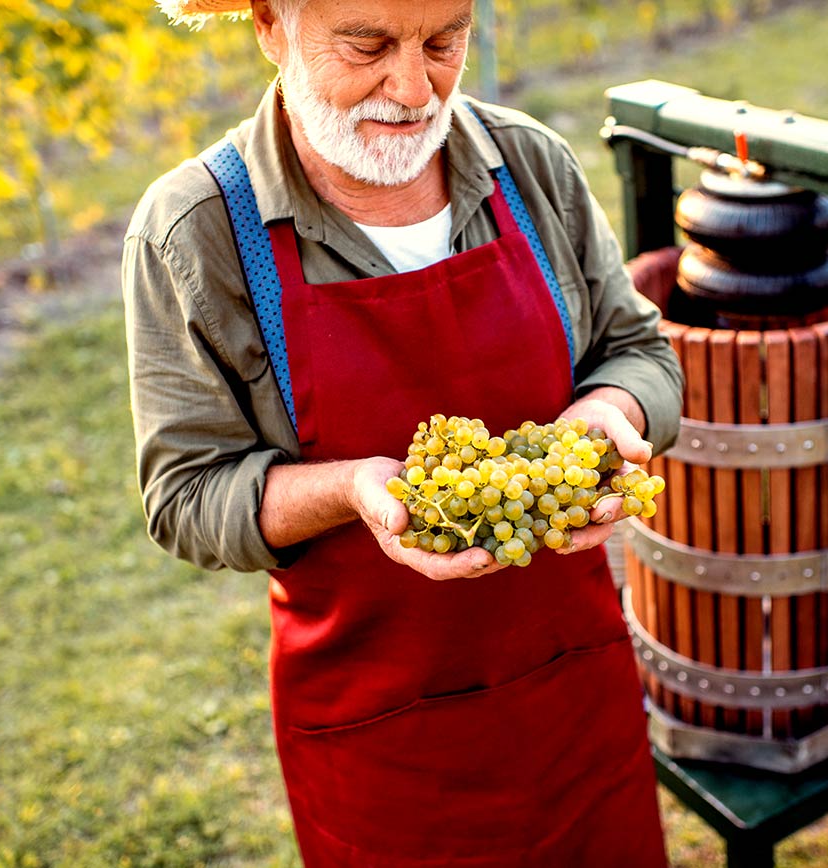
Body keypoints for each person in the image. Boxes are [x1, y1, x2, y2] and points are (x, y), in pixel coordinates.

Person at [123, 0, 683, 864]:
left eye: (445, 40)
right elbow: (186, 495)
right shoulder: (196, 231)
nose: (416, 88)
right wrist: (352, 489)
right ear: (272, 25)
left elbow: (638, 348)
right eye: (368, 44)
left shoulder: (526, 164)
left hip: (574, 696)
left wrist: (611, 412)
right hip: (378, 738)